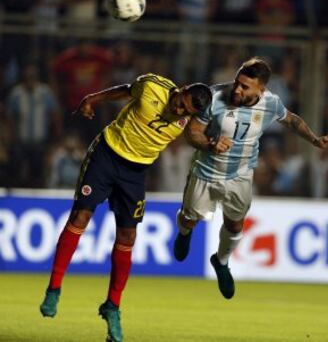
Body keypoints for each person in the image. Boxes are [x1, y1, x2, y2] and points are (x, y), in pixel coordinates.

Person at [39, 73, 212, 342]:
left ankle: (112, 306)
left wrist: (213, 144)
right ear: (182, 89)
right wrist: (92, 99)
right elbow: (125, 90)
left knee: (128, 236)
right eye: (180, 103)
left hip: (136, 171)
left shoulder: (190, 118)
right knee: (81, 216)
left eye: (185, 111)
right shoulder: (153, 85)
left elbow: (196, 136)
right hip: (107, 155)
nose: (178, 111)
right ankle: (54, 288)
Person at [173, 57, 328, 299]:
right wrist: (211, 143)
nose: (237, 89)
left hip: (240, 174)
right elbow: (192, 132)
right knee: (190, 219)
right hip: (206, 171)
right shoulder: (214, 97)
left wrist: (316, 140)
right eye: (237, 83)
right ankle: (184, 232)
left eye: (245, 86)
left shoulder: (270, 104)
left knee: (235, 224)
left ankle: (221, 262)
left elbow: (292, 121)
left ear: (261, 89)